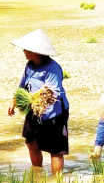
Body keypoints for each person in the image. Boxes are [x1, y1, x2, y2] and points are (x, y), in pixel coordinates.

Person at [7, 29, 69, 175]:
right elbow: (22, 86)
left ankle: (56, 182)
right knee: (31, 143)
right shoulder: (29, 65)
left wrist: (36, 101)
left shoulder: (52, 68)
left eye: (27, 49)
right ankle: (37, 176)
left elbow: (53, 94)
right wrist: (14, 101)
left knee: (55, 150)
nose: (24, 51)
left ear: (36, 51)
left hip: (54, 114)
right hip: (33, 110)